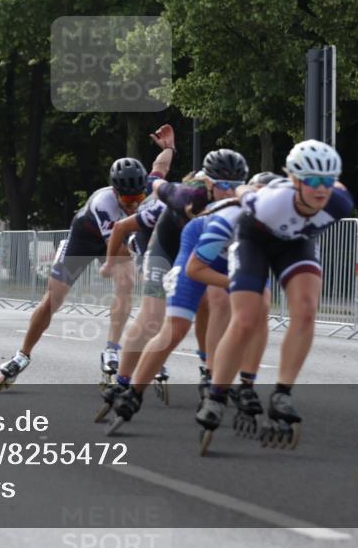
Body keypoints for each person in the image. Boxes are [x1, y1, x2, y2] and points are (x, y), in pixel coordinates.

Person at [0, 126, 176, 392]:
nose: (134, 204)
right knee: (53, 299)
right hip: (84, 240)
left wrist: (169, 148)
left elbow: (161, 168)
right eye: (127, 198)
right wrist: (143, 253)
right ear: (115, 191)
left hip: (117, 238)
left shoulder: (144, 188)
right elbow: (119, 247)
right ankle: (22, 356)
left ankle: (111, 350)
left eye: (138, 198)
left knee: (126, 282)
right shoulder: (104, 203)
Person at [196, 140, 353, 455]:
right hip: (255, 240)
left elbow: (309, 224)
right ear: (295, 180)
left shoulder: (340, 202)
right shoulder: (270, 201)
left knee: (307, 310)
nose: (321, 190)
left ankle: (282, 393)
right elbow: (244, 195)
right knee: (245, 320)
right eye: (311, 181)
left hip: (295, 245)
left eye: (327, 181)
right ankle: (216, 395)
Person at [98, 150, 247, 415]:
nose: (230, 192)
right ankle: (122, 382)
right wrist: (110, 263)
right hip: (165, 246)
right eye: (224, 186)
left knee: (213, 301)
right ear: (209, 183)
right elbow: (151, 185)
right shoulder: (187, 195)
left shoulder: (247, 198)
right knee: (153, 315)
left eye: (236, 186)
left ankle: (208, 368)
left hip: (202, 250)